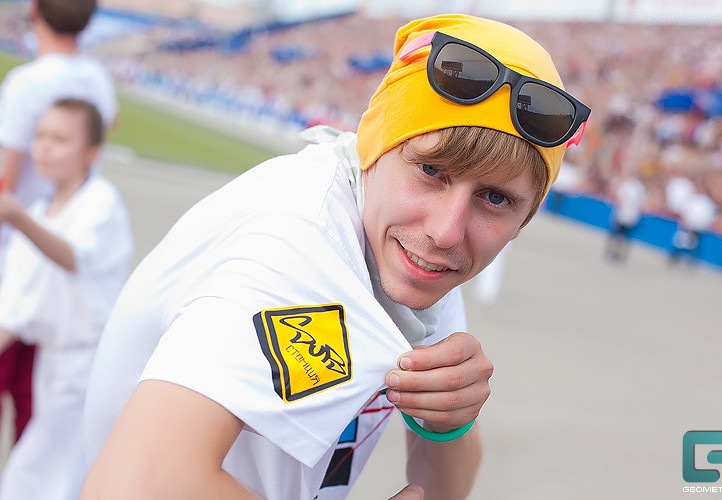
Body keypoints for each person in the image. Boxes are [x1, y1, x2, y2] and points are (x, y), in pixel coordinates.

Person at [82, 14, 590, 500]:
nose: (445, 231)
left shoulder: (411, 259)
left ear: (523, 221)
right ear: (373, 144)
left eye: (496, 199)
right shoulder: (304, 240)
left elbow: (444, 489)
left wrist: (448, 422)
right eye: (431, 171)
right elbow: (132, 487)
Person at [0, 98, 132, 500]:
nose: (44, 147)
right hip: (53, 363)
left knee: (36, 474)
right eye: (40, 136)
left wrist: (17, 218)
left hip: (88, 363)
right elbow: (16, 307)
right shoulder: (41, 209)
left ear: (91, 152)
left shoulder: (101, 201)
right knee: (47, 472)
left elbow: (75, 257)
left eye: (60, 139)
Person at [0, 0, 117, 443]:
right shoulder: (97, 76)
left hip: (20, 247)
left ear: (35, 11)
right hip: (64, 228)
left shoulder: (28, 82)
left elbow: (7, 179)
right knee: (33, 396)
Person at [605, 174, 646, 263]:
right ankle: (615, 251)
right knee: (621, 234)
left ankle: (615, 251)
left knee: (620, 234)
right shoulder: (636, 186)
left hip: (627, 213)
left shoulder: (633, 186)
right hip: (626, 213)